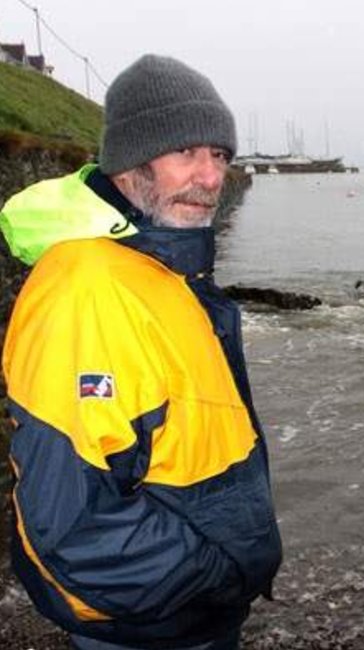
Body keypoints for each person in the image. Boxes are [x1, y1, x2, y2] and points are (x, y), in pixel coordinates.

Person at [0, 54, 282, 650]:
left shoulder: (164, 270)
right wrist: (212, 575)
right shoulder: (85, 289)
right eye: (186, 152)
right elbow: (73, 525)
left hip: (191, 611)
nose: (211, 177)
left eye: (220, 155)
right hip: (156, 622)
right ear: (130, 163)